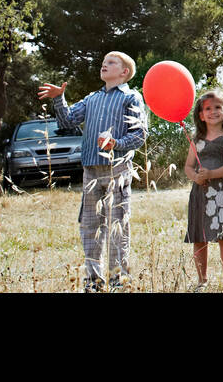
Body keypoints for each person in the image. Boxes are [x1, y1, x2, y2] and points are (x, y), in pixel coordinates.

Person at [37, 51, 148, 292]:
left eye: (111, 63)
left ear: (124, 72)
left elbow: (139, 134)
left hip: (116, 168)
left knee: (118, 225)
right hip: (90, 170)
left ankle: (118, 280)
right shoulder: (91, 98)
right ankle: (94, 282)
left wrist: (115, 144)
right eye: (103, 63)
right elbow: (67, 121)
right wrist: (59, 98)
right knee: (90, 225)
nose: (104, 65)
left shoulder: (131, 97)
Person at [184, 90, 223, 289]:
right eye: (208, 108)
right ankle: (202, 279)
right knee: (199, 237)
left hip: (222, 194)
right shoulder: (196, 140)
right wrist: (195, 177)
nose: (213, 111)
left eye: (217, 107)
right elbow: (188, 166)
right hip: (200, 194)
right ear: (201, 115)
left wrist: (211, 174)